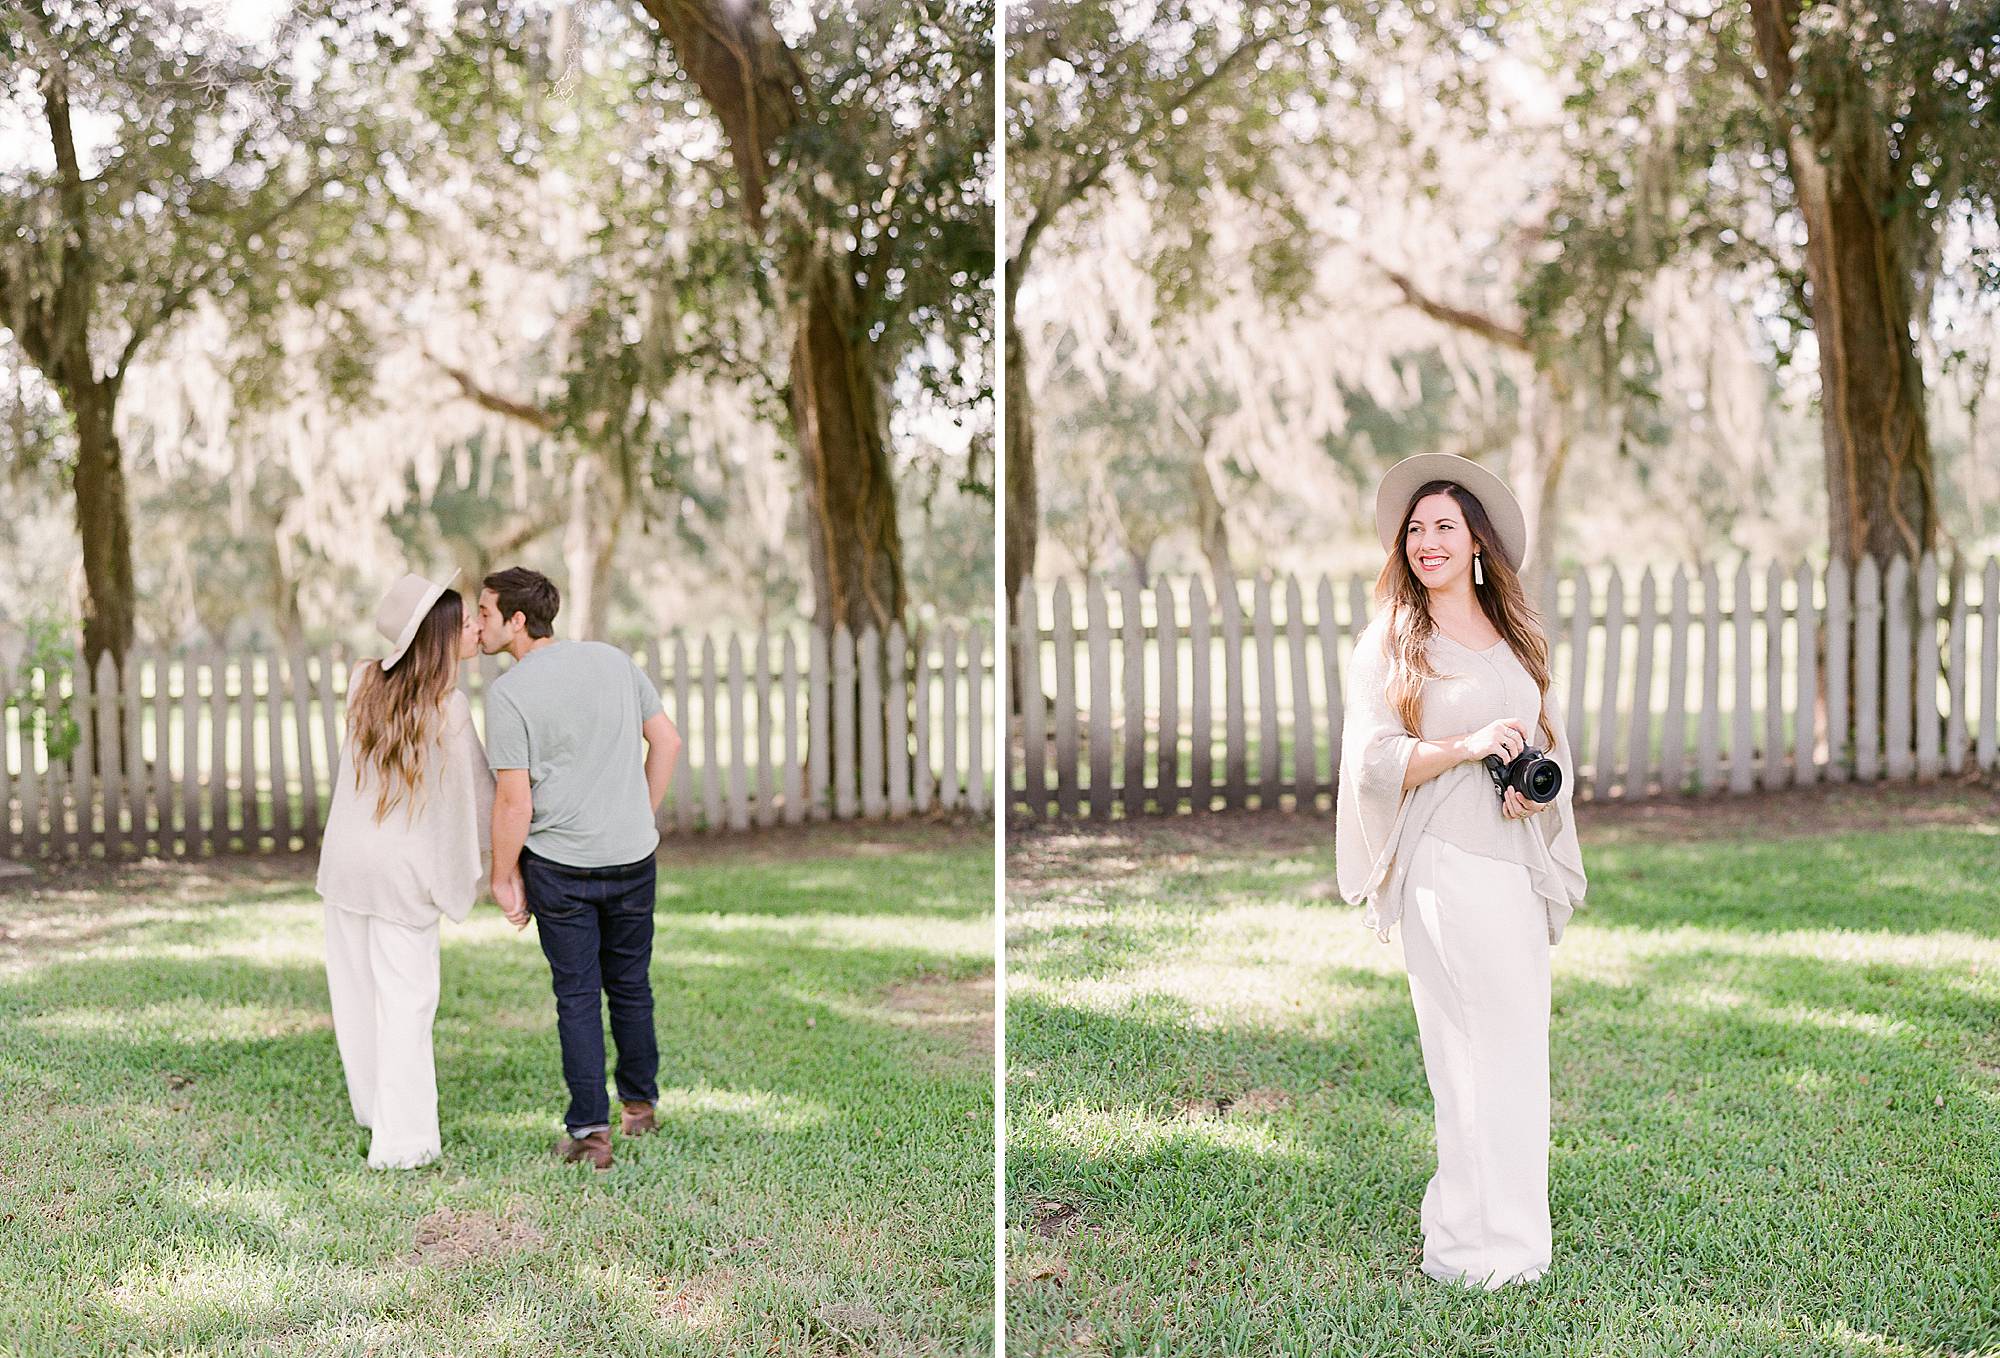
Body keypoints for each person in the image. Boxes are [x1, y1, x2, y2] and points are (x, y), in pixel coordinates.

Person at [1335, 453, 1588, 1289]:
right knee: (1467, 1053)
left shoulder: (1516, 637)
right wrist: (1467, 747)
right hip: (1443, 865)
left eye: (1444, 526)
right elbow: (1372, 764)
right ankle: (1467, 1250)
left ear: (1476, 541)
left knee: (1516, 1051)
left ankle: (1509, 1240)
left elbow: (1546, 734)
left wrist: (1533, 786)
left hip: (1510, 862)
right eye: (1416, 529)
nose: (1427, 541)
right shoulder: (1391, 644)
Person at [478, 566, 682, 1171]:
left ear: (517, 621)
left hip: (560, 869)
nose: (479, 625)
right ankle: (640, 1109)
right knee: (631, 986)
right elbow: (666, 742)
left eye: (485, 613)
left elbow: (515, 800)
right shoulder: (613, 661)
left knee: (576, 997)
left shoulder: (508, 695)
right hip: (633, 858)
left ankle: (592, 1136)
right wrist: (636, 815)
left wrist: (500, 875)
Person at [315, 570, 494, 1169]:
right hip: (400, 877)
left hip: (346, 866)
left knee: (358, 998)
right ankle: (404, 1142)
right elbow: (479, 796)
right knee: (408, 1005)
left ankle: (374, 1110)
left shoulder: (362, 683)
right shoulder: (451, 708)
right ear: (441, 637)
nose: (474, 628)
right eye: (464, 621)